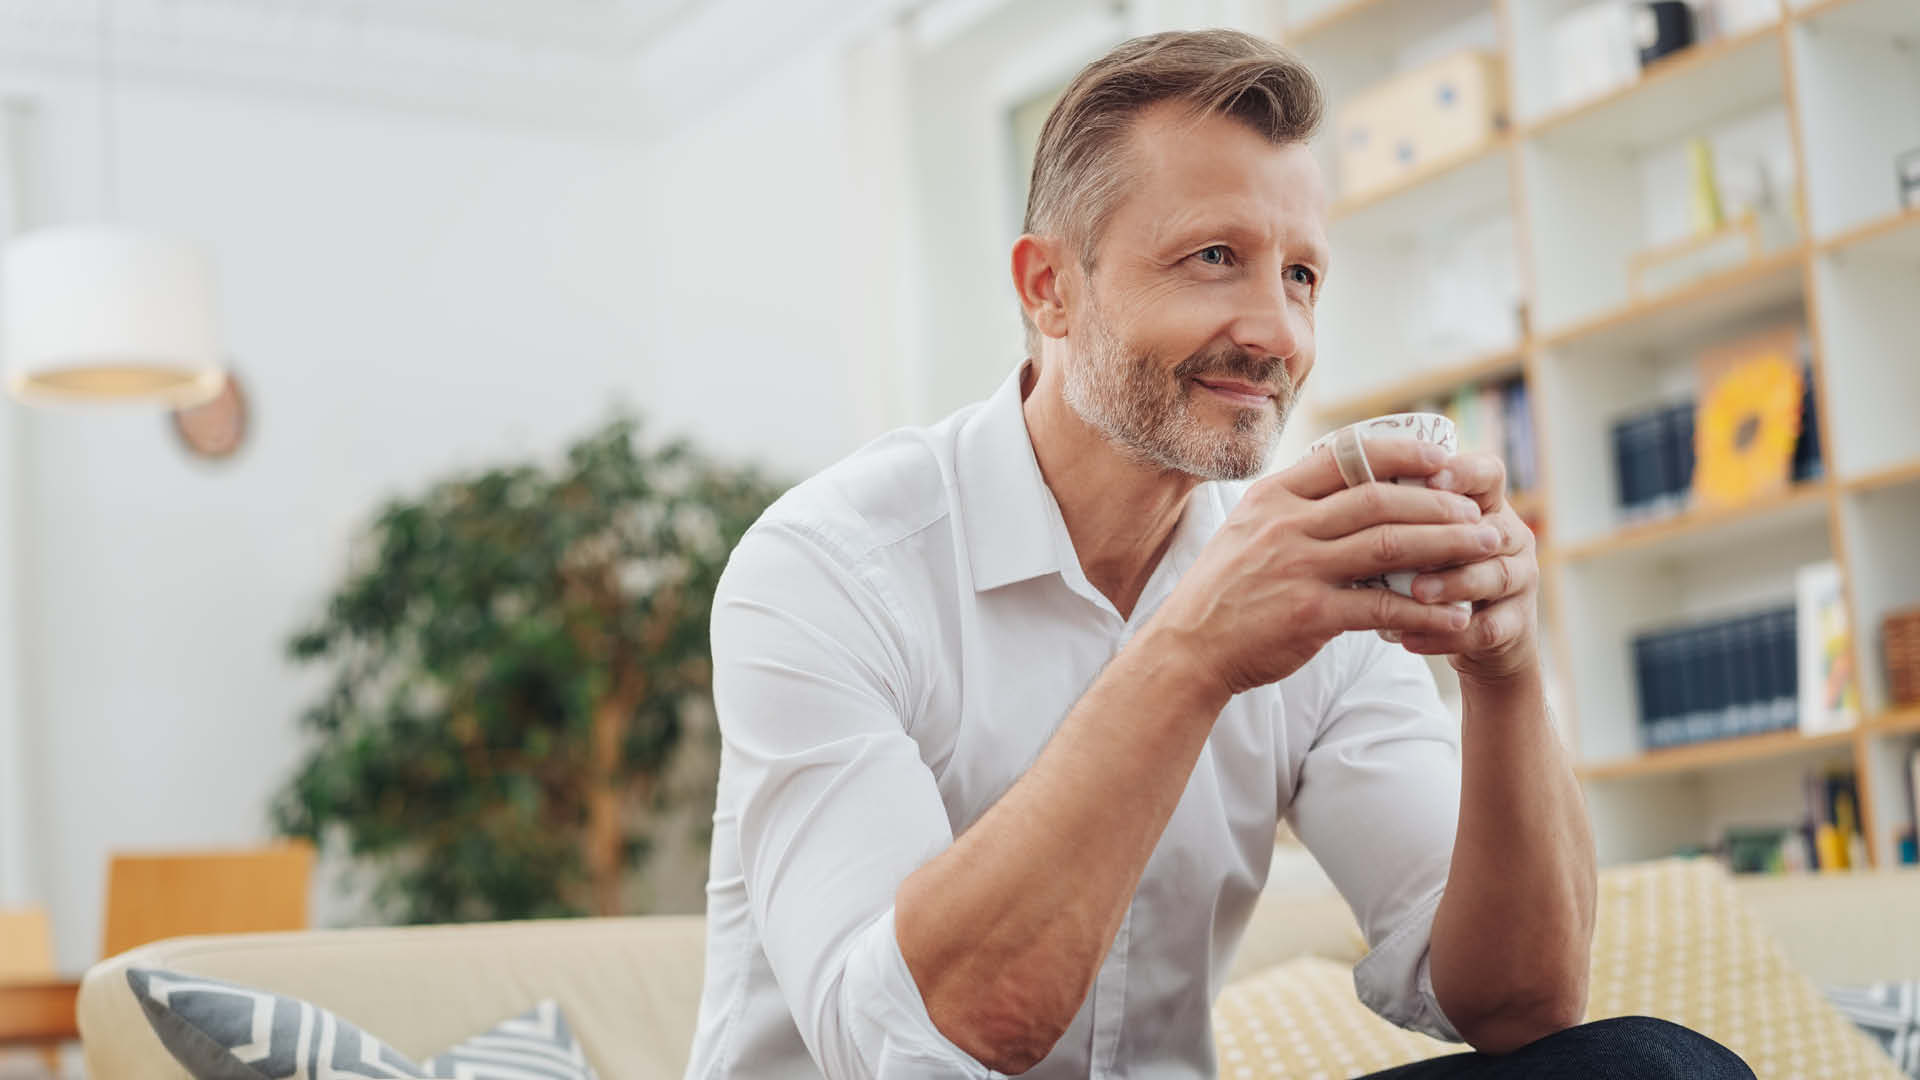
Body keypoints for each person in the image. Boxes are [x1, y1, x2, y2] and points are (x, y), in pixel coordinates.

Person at [682, 28, 1753, 1080]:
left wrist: (1502, 672)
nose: (1278, 331)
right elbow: (917, 1048)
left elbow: (1521, 1009)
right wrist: (1195, 648)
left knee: (1648, 1067)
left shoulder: (1312, 582)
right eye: (1213, 258)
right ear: (1048, 288)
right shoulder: (828, 570)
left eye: (1301, 277)